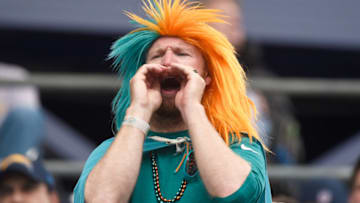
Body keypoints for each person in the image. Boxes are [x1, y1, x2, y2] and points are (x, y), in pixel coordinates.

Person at [74, 0, 272, 202]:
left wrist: (192, 108)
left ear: (206, 79)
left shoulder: (238, 146)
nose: (167, 62)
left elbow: (233, 191)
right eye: (157, 55)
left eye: (181, 53)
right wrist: (139, 111)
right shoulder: (111, 151)